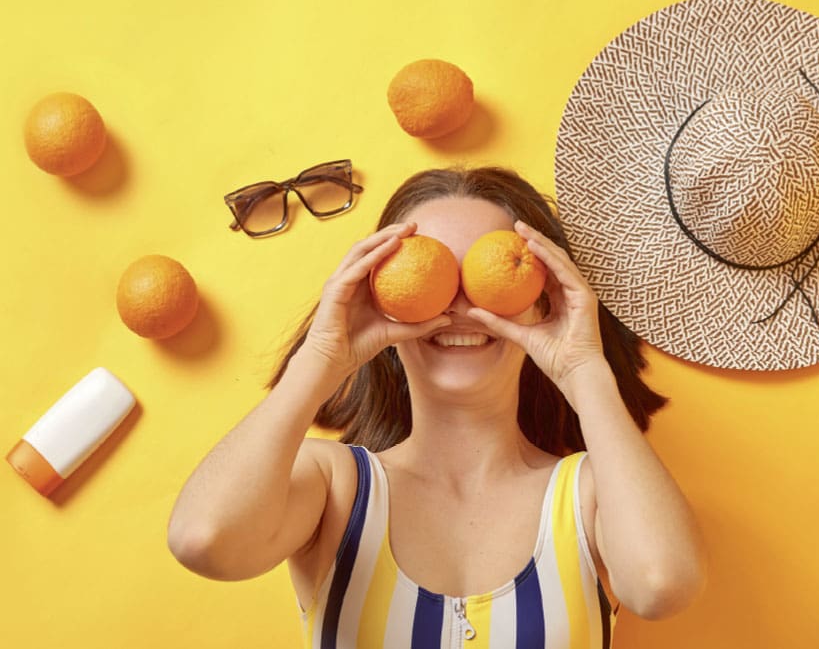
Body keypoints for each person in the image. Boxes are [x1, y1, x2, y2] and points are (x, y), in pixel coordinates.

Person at [167, 166, 707, 648]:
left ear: (543, 300)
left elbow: (662, 585)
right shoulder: (335, 487)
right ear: (378, 296)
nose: (459, 307)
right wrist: (323, 358)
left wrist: (584, 370)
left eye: (483, 274)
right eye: (433, 272)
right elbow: (204, 542)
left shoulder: (591, 493)